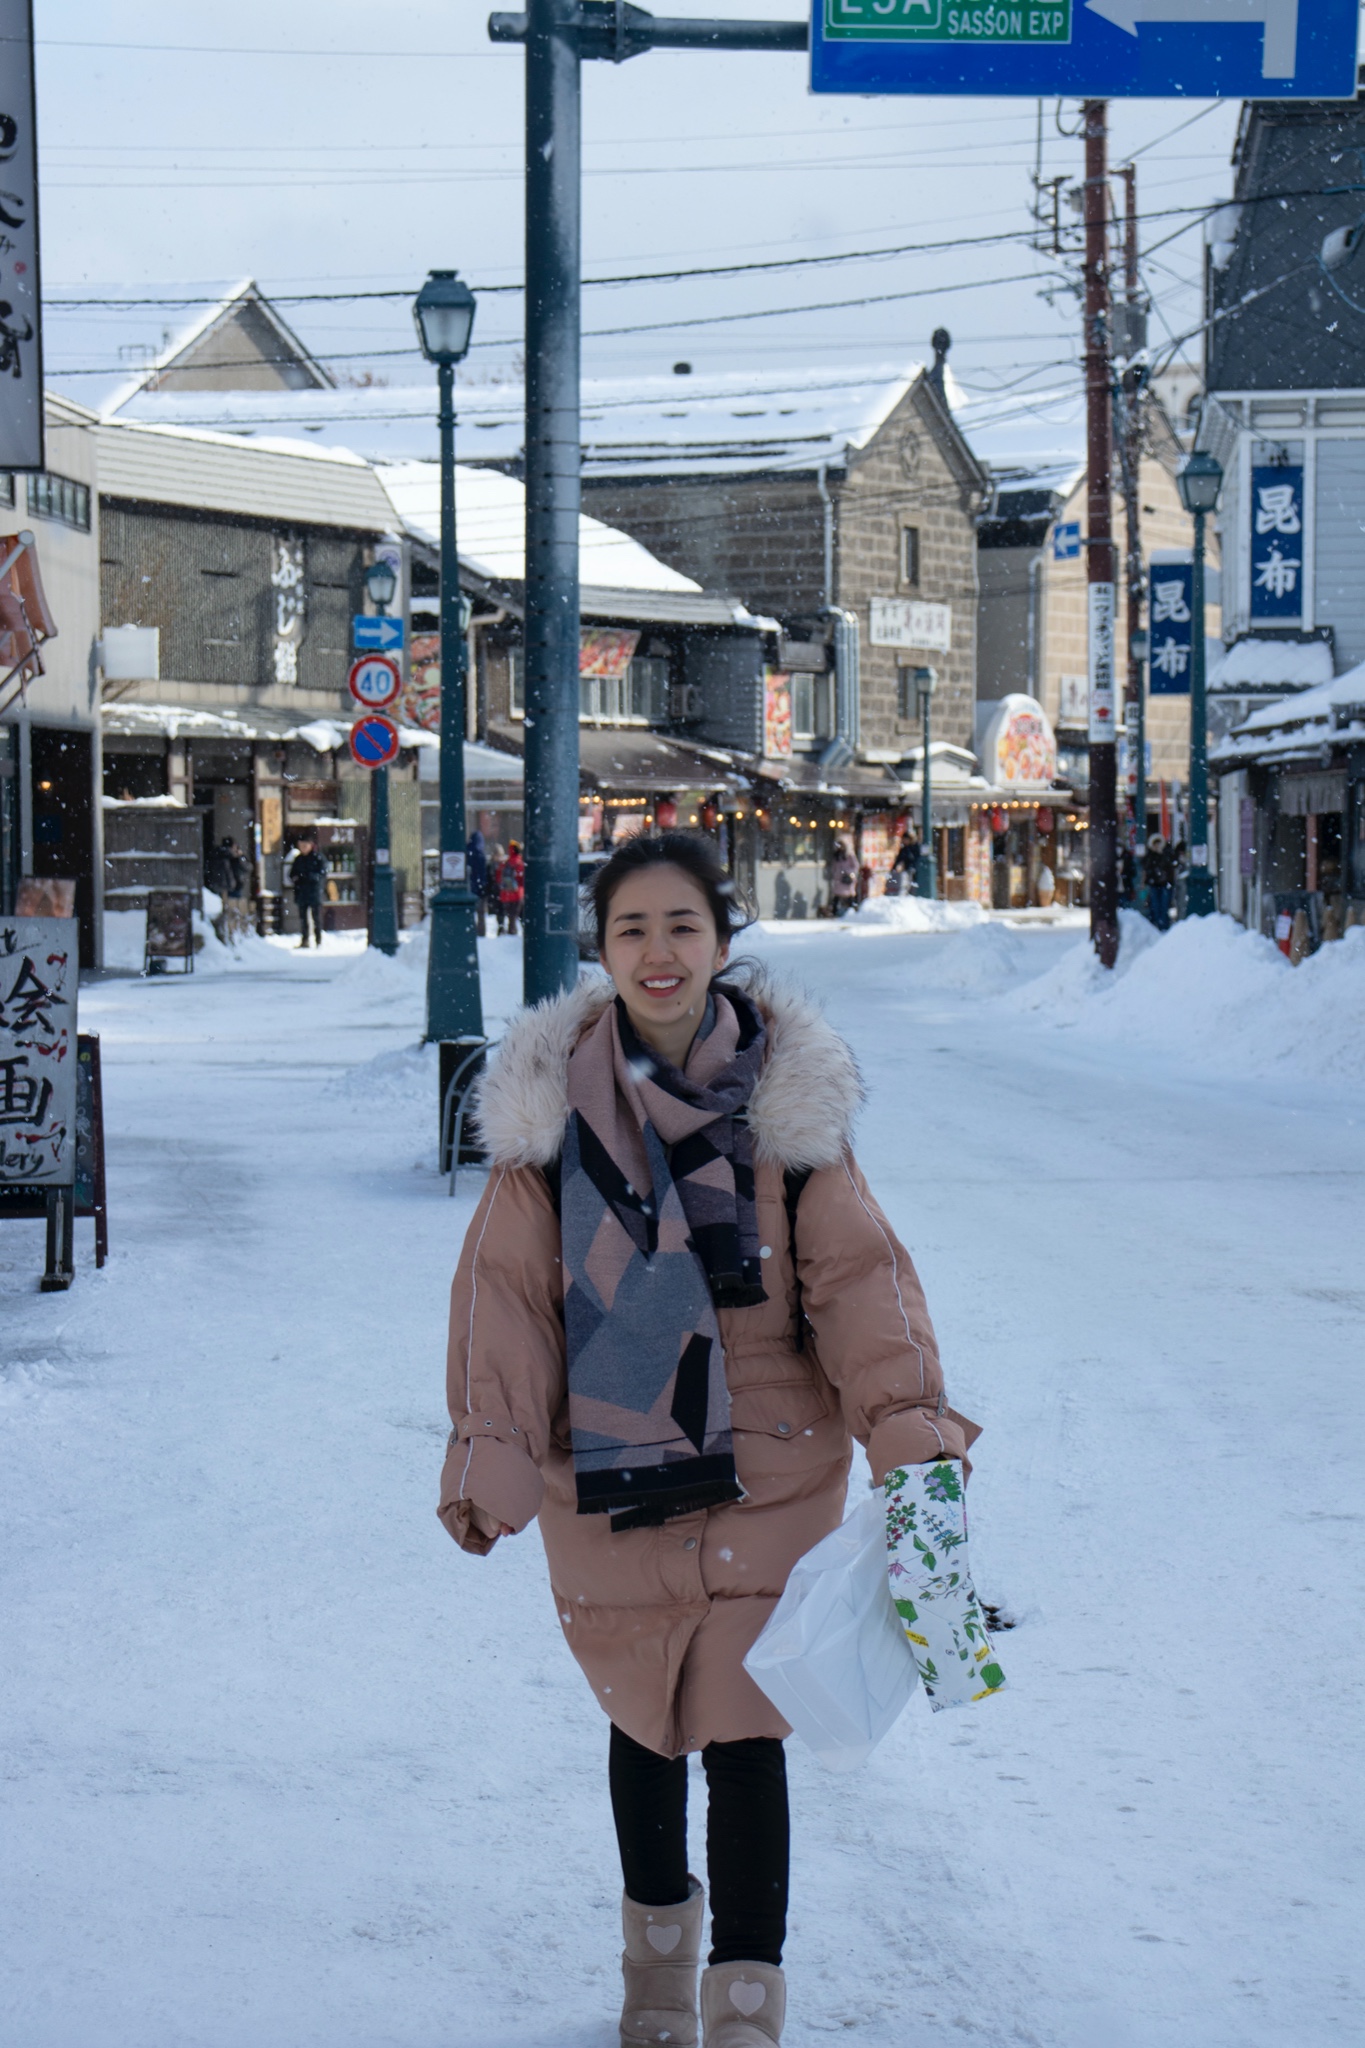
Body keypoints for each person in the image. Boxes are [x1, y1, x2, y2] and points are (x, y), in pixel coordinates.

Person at [438, 830, 993, 2048]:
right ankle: (652, 1981)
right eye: (632, 928)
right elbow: (509, 1303)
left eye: (682, 925)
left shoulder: (790, 1112)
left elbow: (859, 1283)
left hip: (770, 1457)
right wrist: (490, 1446)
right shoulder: (549, 1123)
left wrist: (907, 1425)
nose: (658, 951)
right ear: (602, 951)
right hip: (605, 1461)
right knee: (644, 1715)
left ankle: (743, 1999)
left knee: (745, 1726)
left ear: (723, 944)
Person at [205, 834, 248, 942]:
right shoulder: (230, 856)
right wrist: (240, 856)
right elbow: (246, 868)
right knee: (231, 913)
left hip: (217, 886)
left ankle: (226, 934)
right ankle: (230, 935)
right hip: (230, 887)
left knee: (223, 912)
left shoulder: (217, 854)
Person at [289, 835, 328, 949]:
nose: (303, 848)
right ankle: (305, 939)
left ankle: (318, 940)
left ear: (311, 845)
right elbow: (292, 873)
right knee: (303, 918)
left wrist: (308, 876)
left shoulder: (318, 858)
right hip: (301, 892)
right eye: (301, 846)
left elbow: (322, 874)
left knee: (316, 918)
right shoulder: (299, 859)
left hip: (314, 892)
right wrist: (296, 877)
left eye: (305, 846)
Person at [1146, 833, 1174, 931]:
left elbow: (1169, 866)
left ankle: (1164, 926)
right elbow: (1147, 867)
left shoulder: (1166, 853)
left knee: (1164, 906)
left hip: (1165, 884)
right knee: (1156, 906)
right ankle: (1158, 926)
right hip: (1154, 885)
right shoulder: (1150, 855)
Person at [498, 838, 525, 937]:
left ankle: (510, 933)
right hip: (518, 894)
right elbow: (522, 879)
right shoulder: (520, 863)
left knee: (510, 918)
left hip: (506, 894)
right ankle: (513, 935)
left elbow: (498, 877)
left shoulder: (506, 862)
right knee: (518, 917)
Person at [827, 838, 858, 917]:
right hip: (839, 878)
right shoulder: (836, 856)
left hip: (847, 878)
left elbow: (855, 866)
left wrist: (849, 872)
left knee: (849, 895)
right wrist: (835, 874)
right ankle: (835, 911)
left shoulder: (849, 855)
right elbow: (834, 867)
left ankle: (852, 910)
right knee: (837, 895)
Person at [468, 828, 489, 939]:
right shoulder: (481, 854)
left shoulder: (467, 852)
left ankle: (470, 929)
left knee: (470, 912)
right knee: (481, 913)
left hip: (469, 887)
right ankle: (481, 932)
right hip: (480, 889)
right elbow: (483, 873)